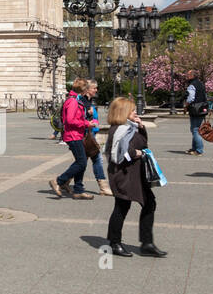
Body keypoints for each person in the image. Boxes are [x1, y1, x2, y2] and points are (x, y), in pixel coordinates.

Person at [105, 95, 166, 258]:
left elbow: (142, 143)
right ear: (123, 112)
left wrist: (140, 126)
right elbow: (121, 153)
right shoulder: (119, 130)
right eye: (131, 110)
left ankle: (147, 243)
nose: (135, 112)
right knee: (122, 206)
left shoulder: (130, 126)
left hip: (137, 174)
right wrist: (136, 153)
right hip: (124, 174)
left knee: (149, 203)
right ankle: (114, 243)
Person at [49, 79, 94, 199]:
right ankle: (59, 181)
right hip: (73, 135)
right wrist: (85, 124)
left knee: (81, 162)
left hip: (76, 135)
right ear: (83, 89)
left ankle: (78, 189)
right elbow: (70, 120)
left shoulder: (74, 100)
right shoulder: (73, 101)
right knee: (81, 162)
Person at [82, 80, 111, 196]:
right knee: (94, 159)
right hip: (85, 135)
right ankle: (103, 187)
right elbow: (78, 118)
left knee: (82, 162)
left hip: (90, 134)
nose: (96, 90)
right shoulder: (83, 102)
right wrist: (88, 115)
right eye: (94, 88)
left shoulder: (89, 101)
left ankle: (63, 181)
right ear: (88, 89)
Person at [183, 73, 208, 155]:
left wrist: (186, 105)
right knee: (195, 129)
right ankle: (194, 148)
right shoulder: (201, 84)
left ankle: (199, 150)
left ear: (193, 76)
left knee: (195, 130)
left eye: (188, 75)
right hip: (202, 108)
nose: (187, 77)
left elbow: (191, 97)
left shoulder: (192, 85)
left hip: (195, 109)